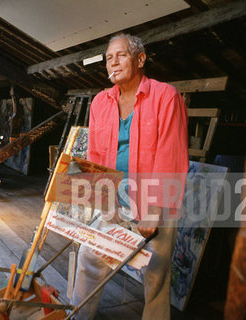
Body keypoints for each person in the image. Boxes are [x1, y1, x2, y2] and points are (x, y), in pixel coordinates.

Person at [71, 34, 189, 319]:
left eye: (121, 55)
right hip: (116, 196)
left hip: (154, 200)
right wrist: (101, 199)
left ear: (140, 59)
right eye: (108, 58)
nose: (113, 62)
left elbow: (170, 154)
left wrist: (155, 209)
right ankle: (78, 315)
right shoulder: (100, 102)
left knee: (156, 274)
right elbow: (97, 157)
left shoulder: (165, 96)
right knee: (90, 257)